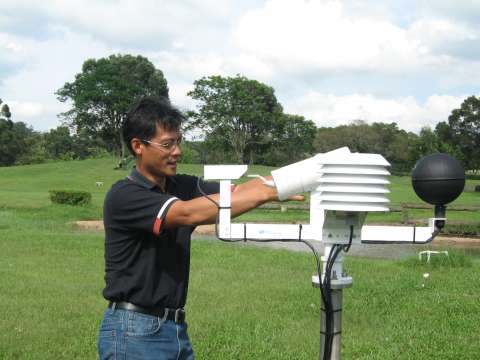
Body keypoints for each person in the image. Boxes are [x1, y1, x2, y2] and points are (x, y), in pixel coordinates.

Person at [97, 96, 302, 360]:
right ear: (138, 146)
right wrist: (267, 194)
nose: (177, 151)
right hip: (134, 329)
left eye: (178, 141)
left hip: (174, 327)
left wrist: (292, 180)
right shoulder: (125, 195)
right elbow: (187, 212)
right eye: (167, 144)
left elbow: (235, 192)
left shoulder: (180, 185)